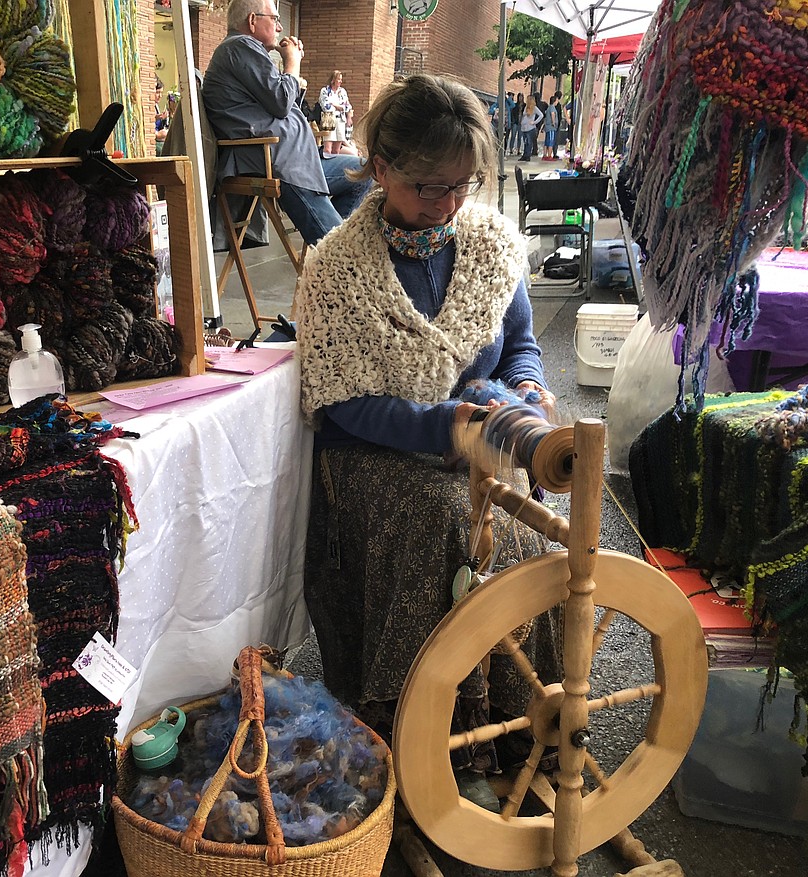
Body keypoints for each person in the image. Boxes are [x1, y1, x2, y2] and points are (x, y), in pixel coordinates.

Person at [295, 73, 561, 810]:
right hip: (368, 458)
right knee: (443, 514)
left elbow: (521, 348)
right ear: (379, 168)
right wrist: (440, 426)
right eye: (426, 186)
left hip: (474, 444)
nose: (445, 204)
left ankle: (519, 727)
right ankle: (432, 731)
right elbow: (343, 403)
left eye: (462, 186)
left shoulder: (492, 248)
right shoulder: (337, 268)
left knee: (524, 524)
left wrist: (530, 391)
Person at [202, 0, 371, 246]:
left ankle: (326, 248)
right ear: (252, 21)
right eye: (275, 19)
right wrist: (292, 62)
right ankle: (331, 250)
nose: (280, 27)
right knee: (342, 250)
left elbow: (284, 106)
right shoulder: (240, 46)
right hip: (280, 162)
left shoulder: (243, 51)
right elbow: (281, 102)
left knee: (363, 172)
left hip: (295, 156)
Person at [319, 70, 354, 157]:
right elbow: (326, 106)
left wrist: (334, 105)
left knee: (337, 149)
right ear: (333, 80)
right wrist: (339, 107)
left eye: (341, 79)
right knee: (327, 148)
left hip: (340, 119)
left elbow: (347, 106)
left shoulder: (342, 91)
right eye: (339, 79)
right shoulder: (325, 90)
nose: (340, 81)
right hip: (328, 118)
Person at [518, 97, 543, 161]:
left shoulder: (534, 108)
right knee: (525, 142)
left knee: (529, 142)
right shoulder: (526, 107)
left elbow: (541, 115)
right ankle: (524, 155)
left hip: (530, 128)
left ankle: (528, 156)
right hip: (524, 128)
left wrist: (534, 122)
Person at [543, 93, 560, 160]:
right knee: (551, 141)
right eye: (557, 100)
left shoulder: (548, 107)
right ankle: (549, 156)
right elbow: (553, 114)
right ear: (554, 101)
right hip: (551, 127)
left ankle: (545, 155)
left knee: (546, 141)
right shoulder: (552, 107)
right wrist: (553, 122)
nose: (557, 102)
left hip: (547, 126)